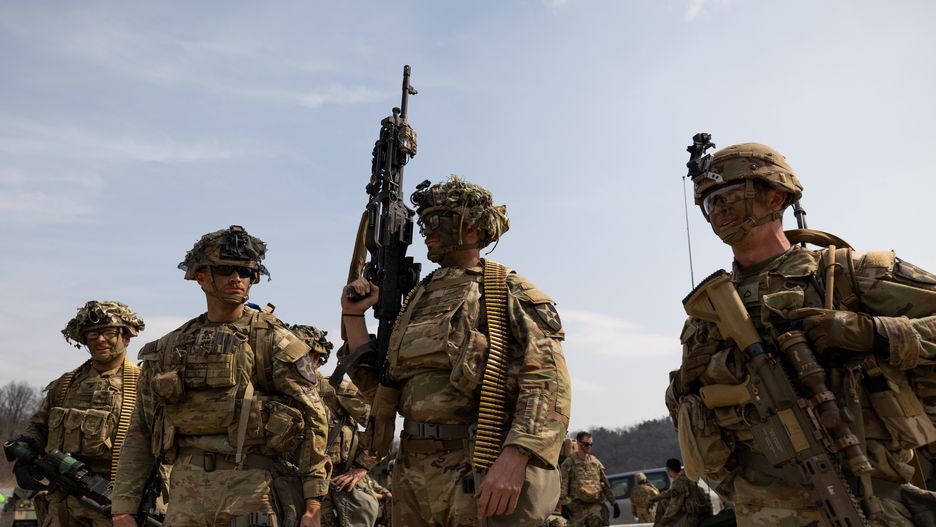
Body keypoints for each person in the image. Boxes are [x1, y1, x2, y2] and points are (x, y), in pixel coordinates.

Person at [667, 140, 936, 526]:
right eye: (711, 203)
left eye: (729, 196)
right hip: (758, 510)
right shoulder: (706, 315)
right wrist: (683, 386)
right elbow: (686, 411)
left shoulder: (845, 274)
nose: (719, 210)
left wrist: (873, 332)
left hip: (866, 498)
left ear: (775, 197)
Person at [341, 176, 572, 526]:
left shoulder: (505, 288)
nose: (427, 230)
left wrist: (516, 455)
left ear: (475, 229)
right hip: (412, 474)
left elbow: (547, 380)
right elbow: (381, 387)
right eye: (424, 222)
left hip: (477, 465)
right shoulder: (417, 297)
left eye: (439, 220)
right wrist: (353, 315)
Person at [111, 225, 331, 527]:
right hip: (185, 492)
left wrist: (314, 502)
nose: (236, 279)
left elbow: (314, 417)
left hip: (254, 489)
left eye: (245, 272)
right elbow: (141, 430)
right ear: (201, 276)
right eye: (226, 270)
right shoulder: (168, 349)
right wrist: (124, 506)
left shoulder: (273, 341)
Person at [11, 301, 145, 527]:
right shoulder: (65, 385)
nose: (100, 339)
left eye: (108, 332)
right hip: (63, 503)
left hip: (116, 504)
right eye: (92, 334)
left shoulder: (143, 384)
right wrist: (25, 456)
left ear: (126, 336)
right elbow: (38, 426)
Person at [289, 324, 379, 527]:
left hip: (335, 491)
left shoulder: (336, 389)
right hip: (290, 487)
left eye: (303, 355)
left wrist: (361, 467)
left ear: (316, 358)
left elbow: (381, 423)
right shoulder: (281, 392)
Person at [559, 432, 619, 527]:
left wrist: (614, 503)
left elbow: (605, 484)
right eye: (586, 444)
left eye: (591, 444)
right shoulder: (570, 462)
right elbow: (564, 484)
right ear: (579, 443)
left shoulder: (595, 463)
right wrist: (564, 505)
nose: (589, 446)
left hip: (594, 507)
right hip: (576, 508)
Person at [649, 459, 710, 527]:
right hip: (701, 513)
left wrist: (662, 522)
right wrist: (654, 499)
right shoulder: (686, 478)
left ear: (669, 469)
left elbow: (674, 507)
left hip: (693, 516)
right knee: (663, 501)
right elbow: (669, 493)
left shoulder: (679, 483)